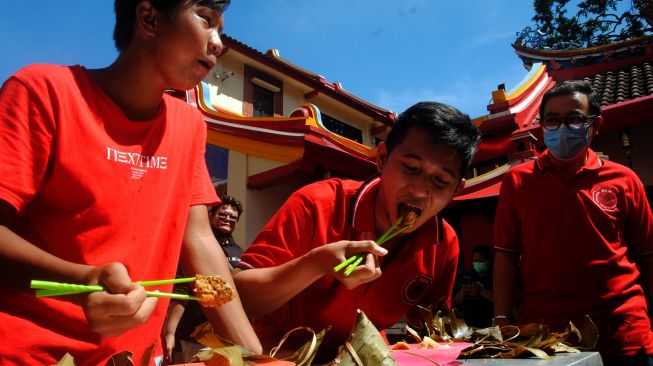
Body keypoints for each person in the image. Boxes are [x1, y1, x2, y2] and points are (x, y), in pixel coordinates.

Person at [0, 1, 262, 365]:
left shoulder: (189, 126)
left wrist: (256, 357)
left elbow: (199, 241)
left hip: (132, 357)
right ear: (149, 18)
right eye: (206, 19)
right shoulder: (44, 91)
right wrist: (84, 282)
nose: (218, 43)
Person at [233, 101, 479, 360]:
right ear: (382, 158)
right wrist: (315, 264)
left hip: (362, 356)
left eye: (441, 181)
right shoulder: (318, 204)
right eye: (410, 167)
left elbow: (432, 335)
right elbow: (239, 298)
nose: (419, 190)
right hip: (278, 353)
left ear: (456, 191)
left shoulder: (443, 243)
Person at [493, 80, 653, 365]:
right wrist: (502, 318)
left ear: (596, 124)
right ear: (541, 125)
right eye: (552, 120)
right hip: (546, 338)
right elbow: (506, 254)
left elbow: (647, 254)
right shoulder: (517, 181)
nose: (562, 127)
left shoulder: (625, 179)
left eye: (575, 118)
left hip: (623, 332)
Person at [163, 194, 245, 362]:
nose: (227, 218)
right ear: (210, 215)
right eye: (222, 214)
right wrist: (170, 332)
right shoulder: (195, 246)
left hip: (227, 337)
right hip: (195, 334)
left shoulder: (240, 253)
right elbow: (182, 290)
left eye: (233, 217)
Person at [453, 245, 494, 328]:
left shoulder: (494, 277)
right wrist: (463, 292)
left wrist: (480, 291)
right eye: (475, 260)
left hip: (488, 324)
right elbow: (457, 301)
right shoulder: (468, 276)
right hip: (468, 325)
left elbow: (498, 299)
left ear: (488, 261)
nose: (477, 263)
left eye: (481, 261)